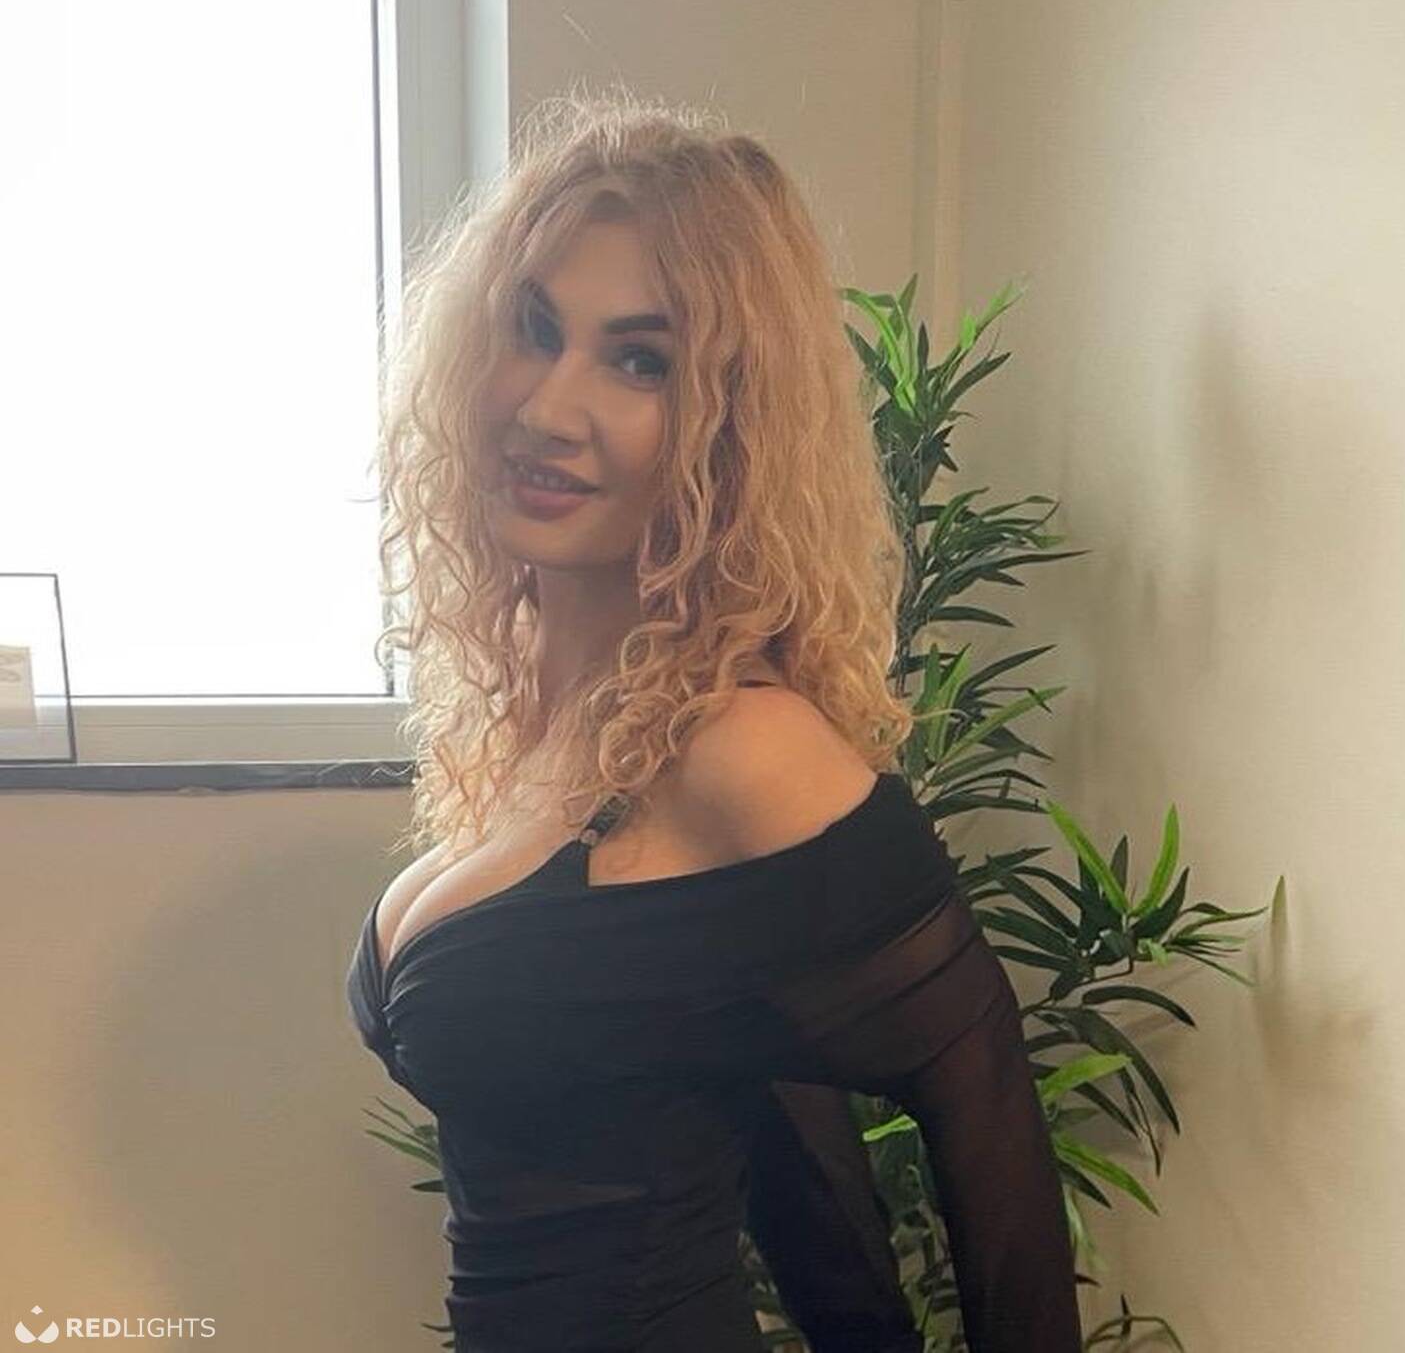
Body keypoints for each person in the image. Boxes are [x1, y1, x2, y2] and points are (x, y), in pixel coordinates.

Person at [345, 85, 1084, 1352]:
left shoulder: (742, 745)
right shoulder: (553, 729)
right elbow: (782, 1115)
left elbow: (985, 1109)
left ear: (731, 425)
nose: (548, 406)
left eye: (640, 360)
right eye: (534, 330)